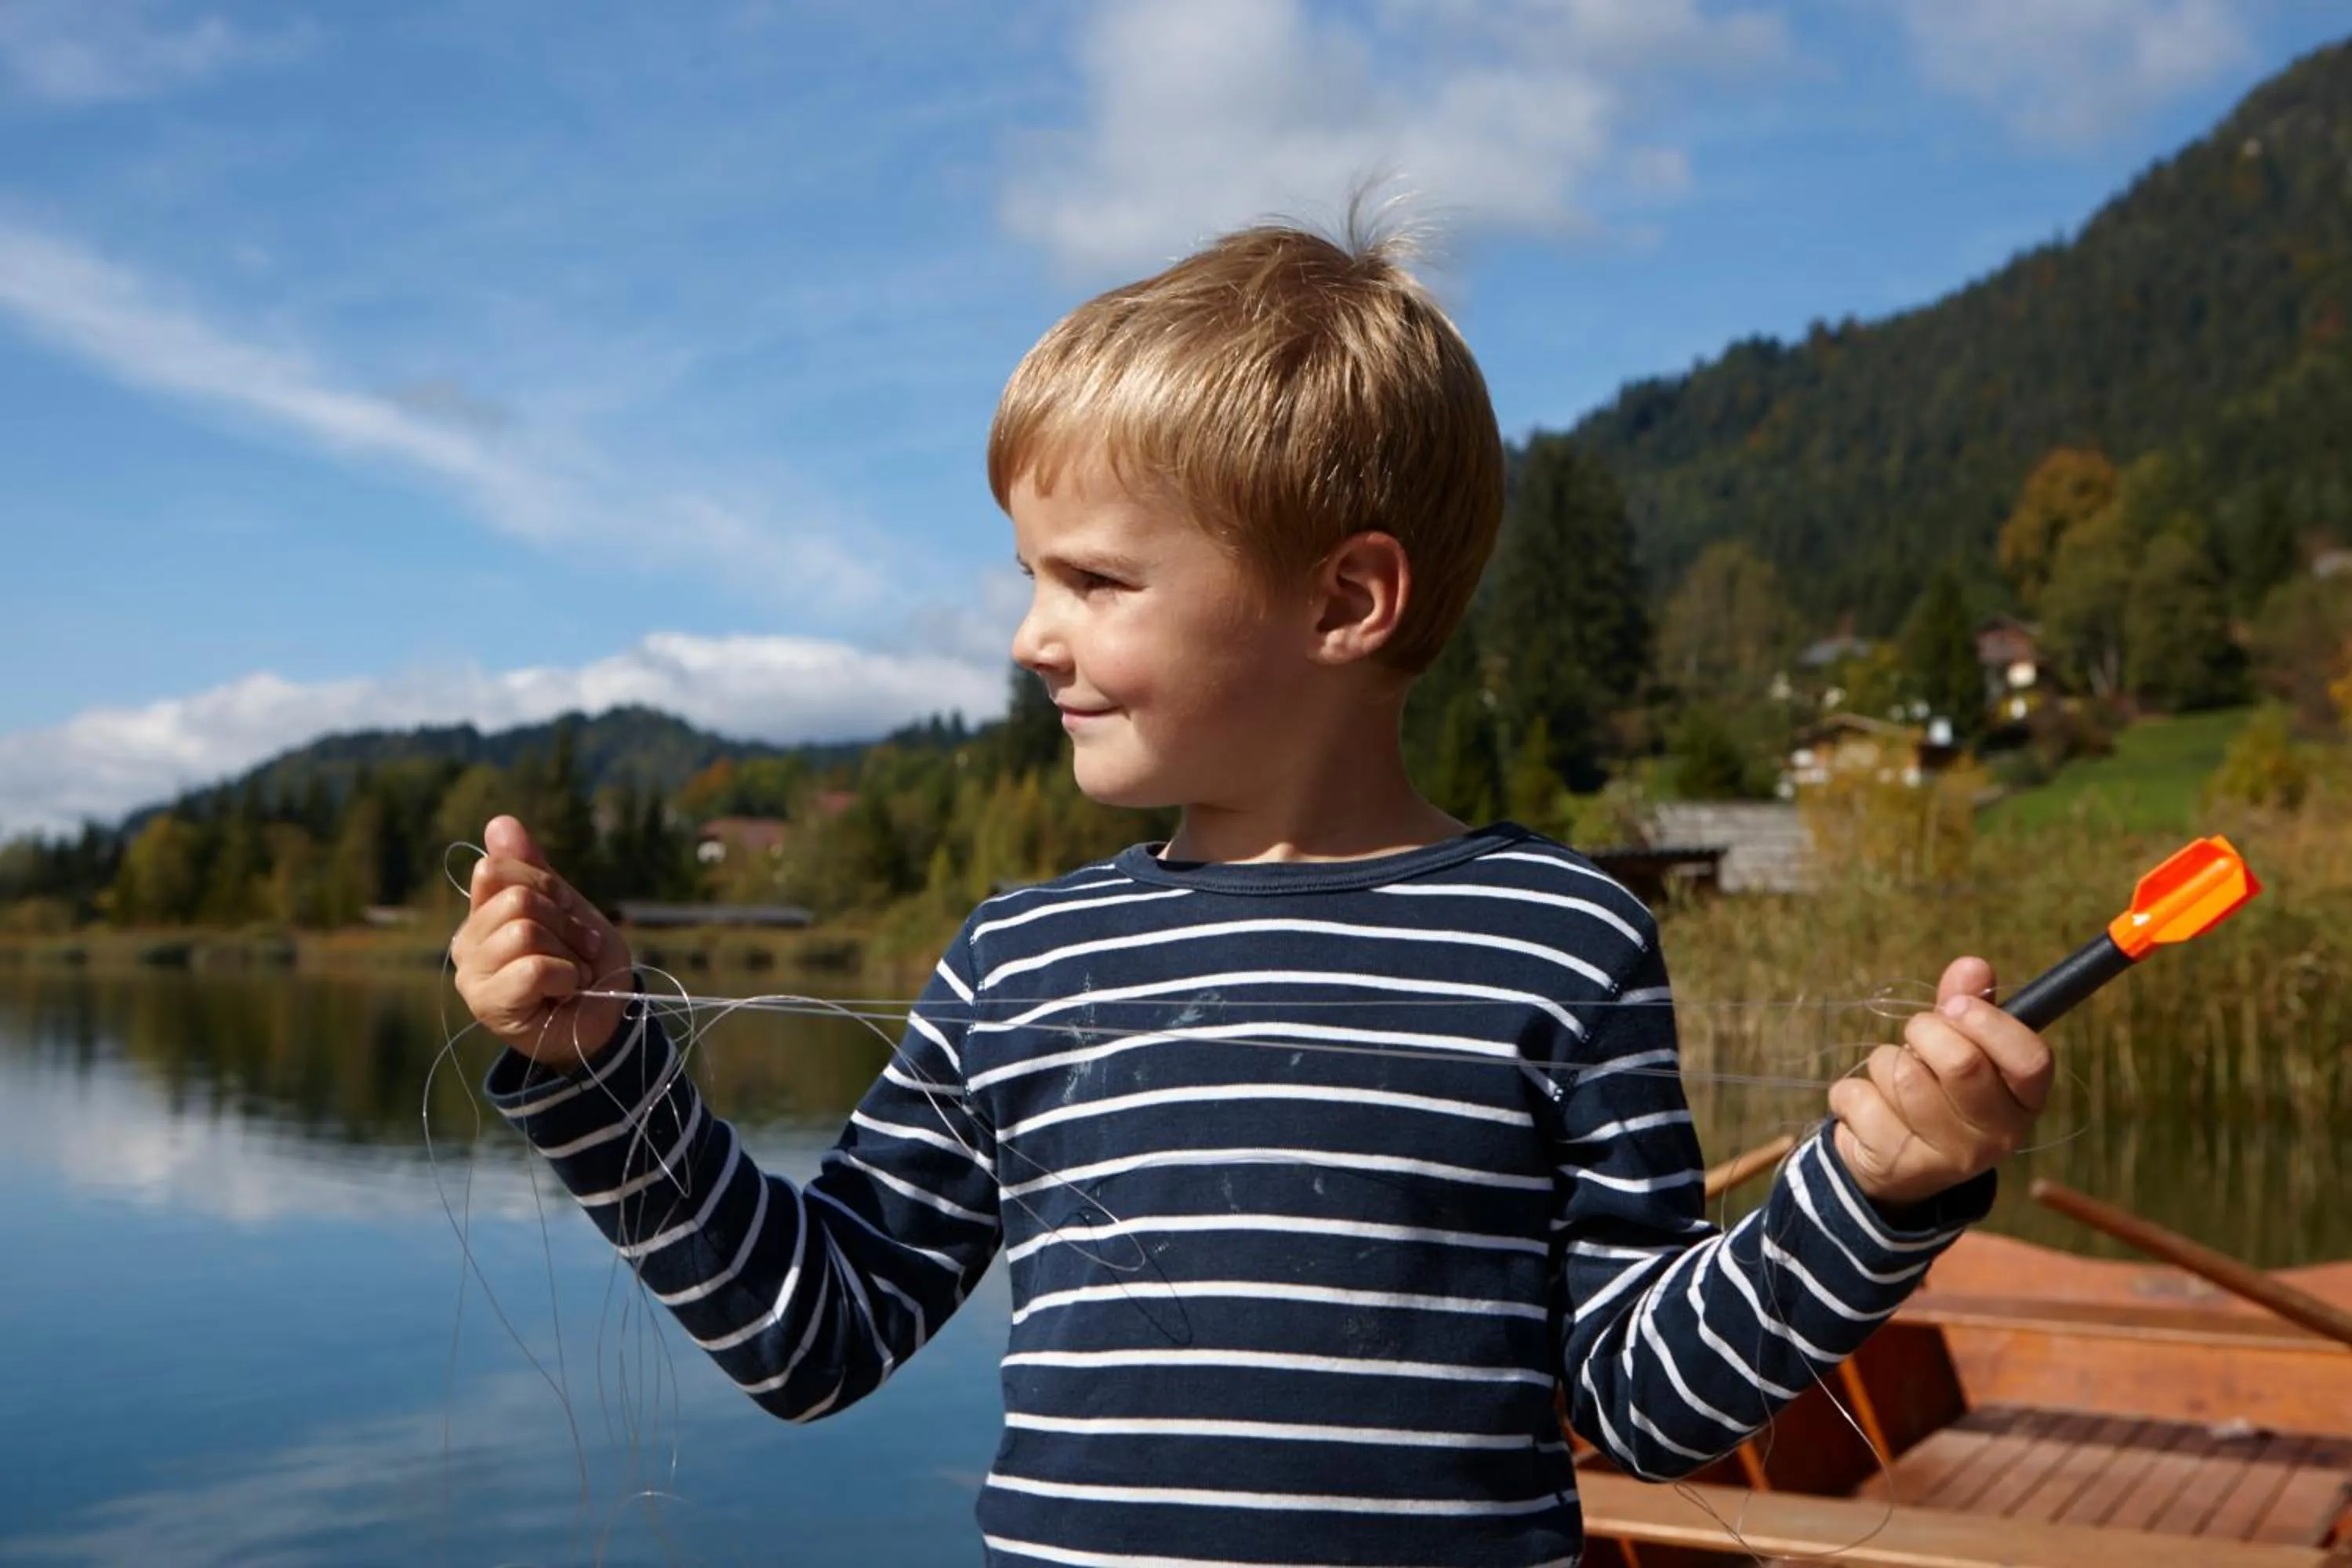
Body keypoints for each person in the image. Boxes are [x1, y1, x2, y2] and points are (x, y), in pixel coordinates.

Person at [453, 216, 2051, 1567]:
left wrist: (1880, 1196)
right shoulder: (1022, 955)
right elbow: (815, 1335)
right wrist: (600, 1072)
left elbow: (1647, 1398)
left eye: (1095, 579)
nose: (1030, 637)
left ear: (1346, 599)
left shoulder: (1560, 941)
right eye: (1030, 576)